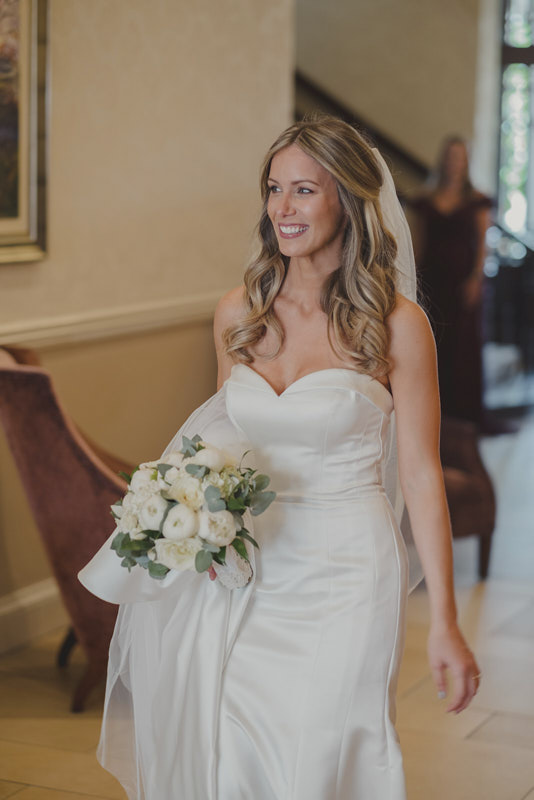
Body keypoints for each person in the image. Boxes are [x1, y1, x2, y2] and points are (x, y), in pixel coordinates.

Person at [79, 115, 480, 800]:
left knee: (325, 750)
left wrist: (444, 619)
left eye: (304, 190)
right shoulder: (238, 312)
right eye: (274, 188)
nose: (283, 208)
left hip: (348, 571)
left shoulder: (397, 324)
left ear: (347, 200)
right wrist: (189, 520)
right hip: (249, 567)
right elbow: (221, 446)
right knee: (236, 754)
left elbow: (419, 474)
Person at [408, 136, 493, 428]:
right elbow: (419, 243)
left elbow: (483, 244)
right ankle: (433, 408)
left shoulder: (477, 200)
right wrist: (413, 279)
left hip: (462, 282)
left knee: (463, 345)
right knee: (433, 341)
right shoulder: (427, 199)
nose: (454, 162)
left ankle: (463, 413)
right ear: (443, 160)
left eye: (460, 157)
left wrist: (476, 278)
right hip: (432, 280)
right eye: (450, 156)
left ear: (466, 162)